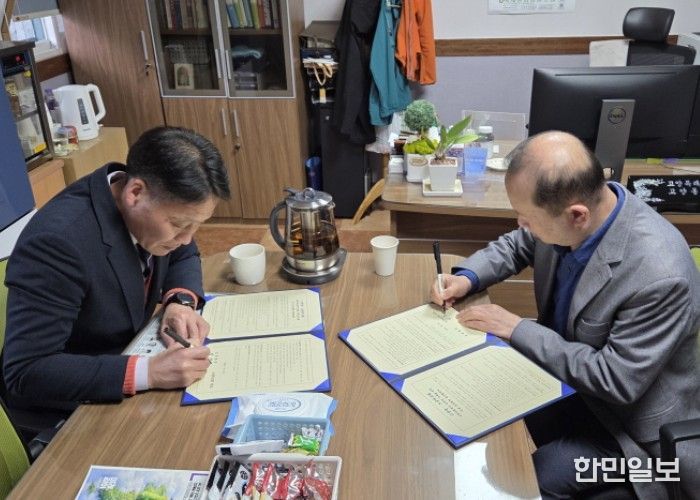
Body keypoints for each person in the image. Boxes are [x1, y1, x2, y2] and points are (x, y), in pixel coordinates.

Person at [431, 131, 699, 499]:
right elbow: (518, 244)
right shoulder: (580, 215)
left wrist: (516, 328)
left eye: (528, 219)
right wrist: (467, 278)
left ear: (577, 216)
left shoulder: (660, 275)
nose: (522, 225)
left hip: (640, 446)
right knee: (479, 406)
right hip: (573, 388)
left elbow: (615, 380)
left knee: (529, 478)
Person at [3, 126, 231, 422]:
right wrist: (149, 372)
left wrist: (180, 302)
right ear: (135, 193)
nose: (188, 237)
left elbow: (183, 253)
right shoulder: (58, 243)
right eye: (179, 224)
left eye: (196, 225)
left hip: (129, 355)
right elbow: (28, 370)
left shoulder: (152, 209)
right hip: (68, 411)